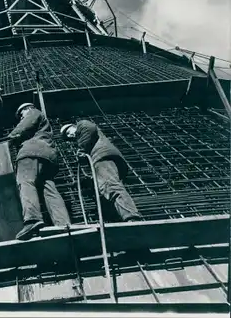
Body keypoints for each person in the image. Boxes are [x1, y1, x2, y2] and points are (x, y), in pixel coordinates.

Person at [8, 103, 72, 241]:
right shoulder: (44, 124)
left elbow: (23, 126)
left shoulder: (33, 112)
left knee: (25, 182)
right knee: (49, 190)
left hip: (31, 152)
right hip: (48, 156)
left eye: (21, 114)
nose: (21, 117)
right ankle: (63, 223)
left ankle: (32, 219)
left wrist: (9, 139)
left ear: (27, 109)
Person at [60, 120, 142, 222]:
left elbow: (89, 128)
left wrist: (82, 149)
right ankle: (125, 216)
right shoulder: (86, 141)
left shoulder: (82, 124)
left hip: (103, 157)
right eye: (68, 137)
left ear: (73, 126)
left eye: (68, 132)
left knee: (110, 186)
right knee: (108, 188)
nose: (70, 136)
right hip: (106, 158)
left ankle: (131, 217)